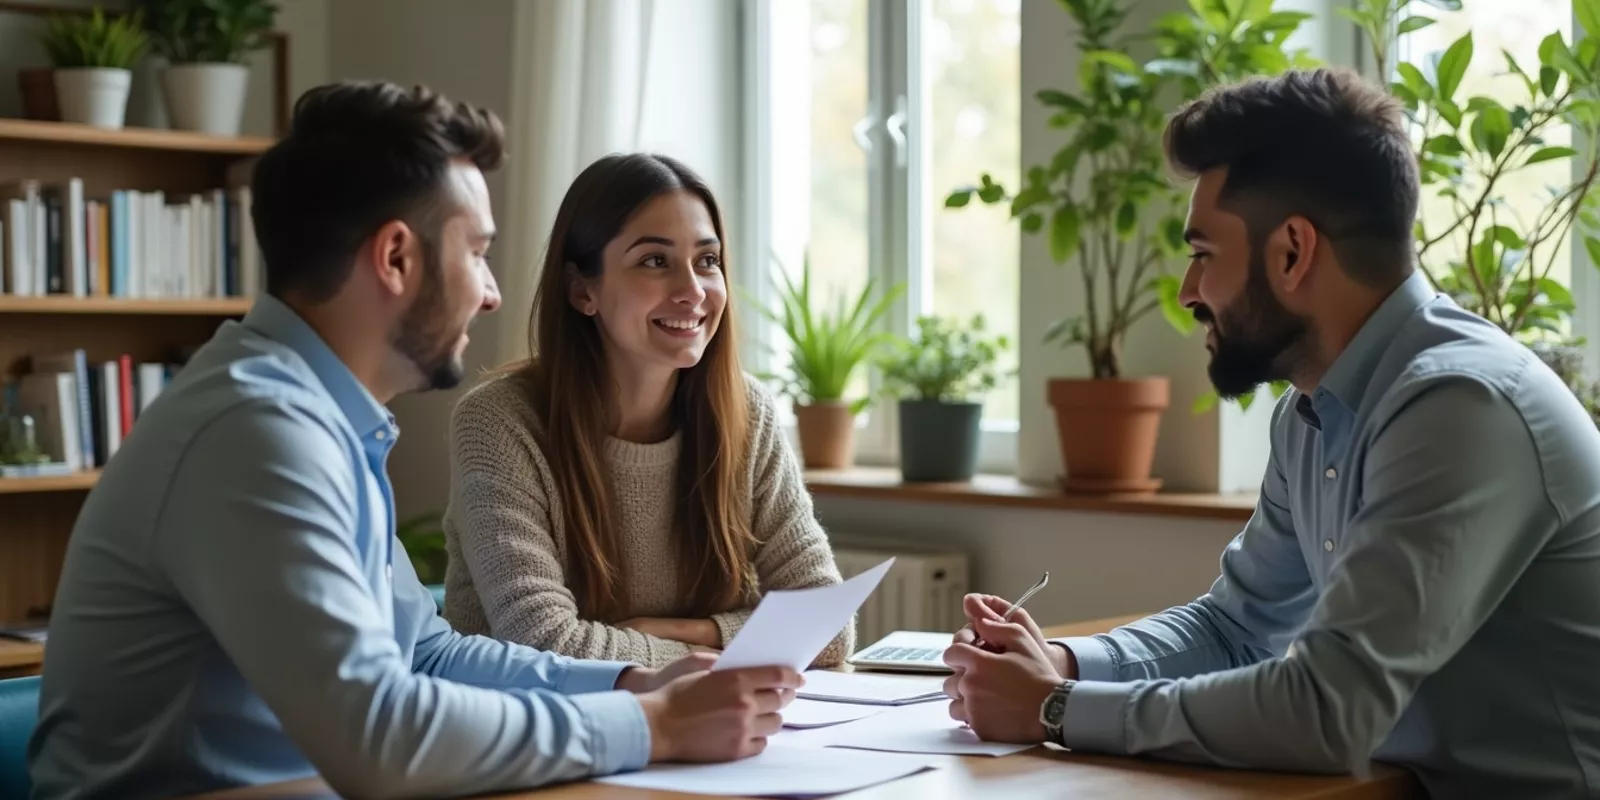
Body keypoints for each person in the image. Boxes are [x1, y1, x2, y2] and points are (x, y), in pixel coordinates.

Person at [27, 81, 803, 800]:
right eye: (477, 251)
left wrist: (631, 684)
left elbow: (426, 654)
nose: (493, 290)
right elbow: (380, 737)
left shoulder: (323, 422)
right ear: (396, 257)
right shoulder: (255, 432)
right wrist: (654, 728)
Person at [940, 66, 1600, 798]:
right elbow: (1236, 630)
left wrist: (1054, 709)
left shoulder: (1461, 408)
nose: (1190, 293)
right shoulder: (1314, 410)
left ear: (1292, 251)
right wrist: (1064, 664)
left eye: (1202, 255)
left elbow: (1326, 712)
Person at [441, 152, 854, 669]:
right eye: (655, 262)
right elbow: (544, 644)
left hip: (700, 732)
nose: (692, 291)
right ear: (582, 290)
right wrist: (739, 641)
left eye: (707, 261)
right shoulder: (500, 422)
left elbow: (827, 625)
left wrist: (687, 632)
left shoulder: (747, 411)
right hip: (528, 734)